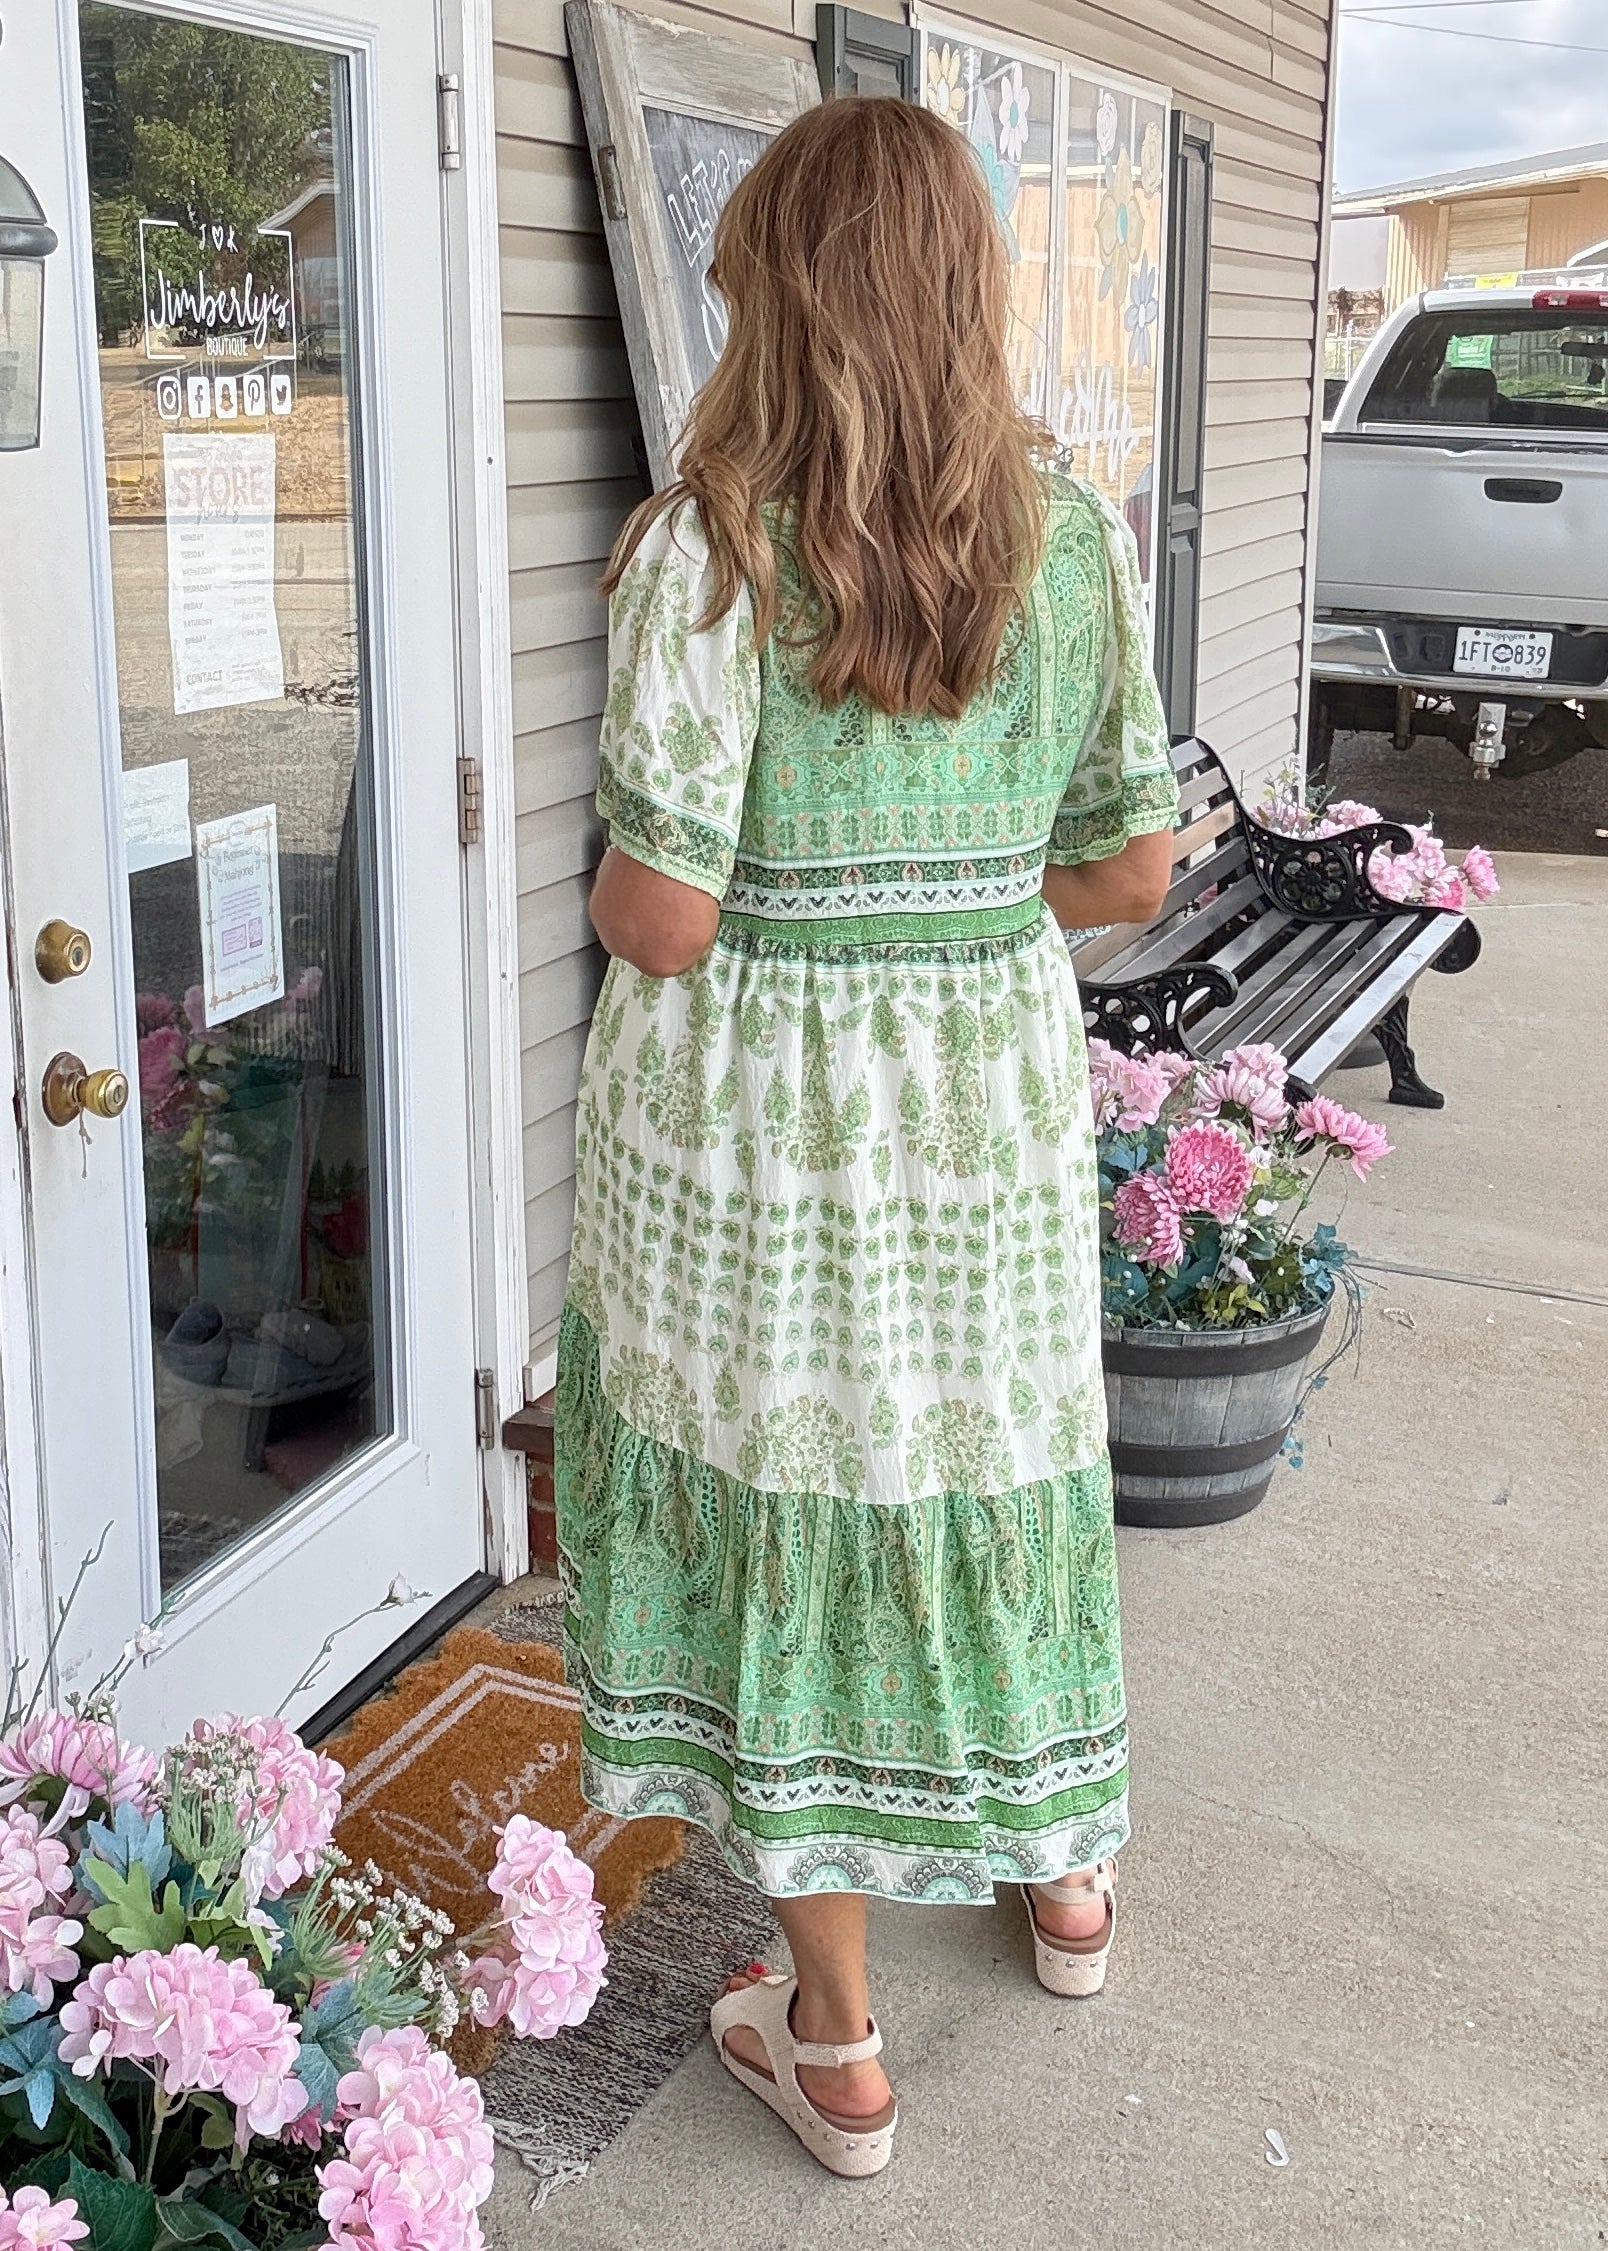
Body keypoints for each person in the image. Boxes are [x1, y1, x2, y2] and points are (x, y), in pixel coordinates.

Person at [555, 94, 1178, 2178]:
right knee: (988, 1461)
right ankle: (1063, 1882)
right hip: (980, 1104)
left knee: (801, 1500)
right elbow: (1134, 868)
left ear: (781, 299)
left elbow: (666, 915)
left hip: (767, 1143)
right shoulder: (1065, 539)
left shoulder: (714, 550)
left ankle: (834, 2042)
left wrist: (644, 887)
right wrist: (965, 906)